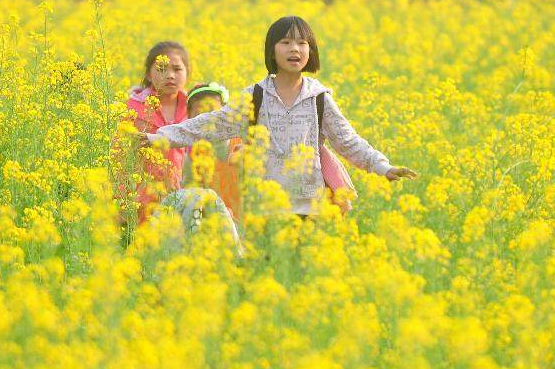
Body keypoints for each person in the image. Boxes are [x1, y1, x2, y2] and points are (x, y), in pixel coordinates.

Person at [142, 15, 417, 217]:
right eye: (285, 42)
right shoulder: (255, 97)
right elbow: (210, 124)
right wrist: (158, 138)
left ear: (311, 51)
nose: (294, 49)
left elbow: (348, 141)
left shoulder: (320, 98)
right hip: (265, 210)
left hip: (313, 208)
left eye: (301, 43)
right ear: (272, 50)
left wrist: (383, 167)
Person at [115, 41, 191, 226]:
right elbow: (119, 157)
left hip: (182, 197)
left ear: (187, 73)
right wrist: (122, 197)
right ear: (149, 74)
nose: (170, 75)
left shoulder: (194, 107)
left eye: (177, 69)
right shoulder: (132, 109)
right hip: (140, 199)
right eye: (162, 69)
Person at [181, 82, 243, 221]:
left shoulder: (240, 144)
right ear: (190, 119)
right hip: (215, 225)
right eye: (200, 115)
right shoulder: (193, 157)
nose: (207, 121)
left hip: (247, 221)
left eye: (213, 113)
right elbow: (191, 196)